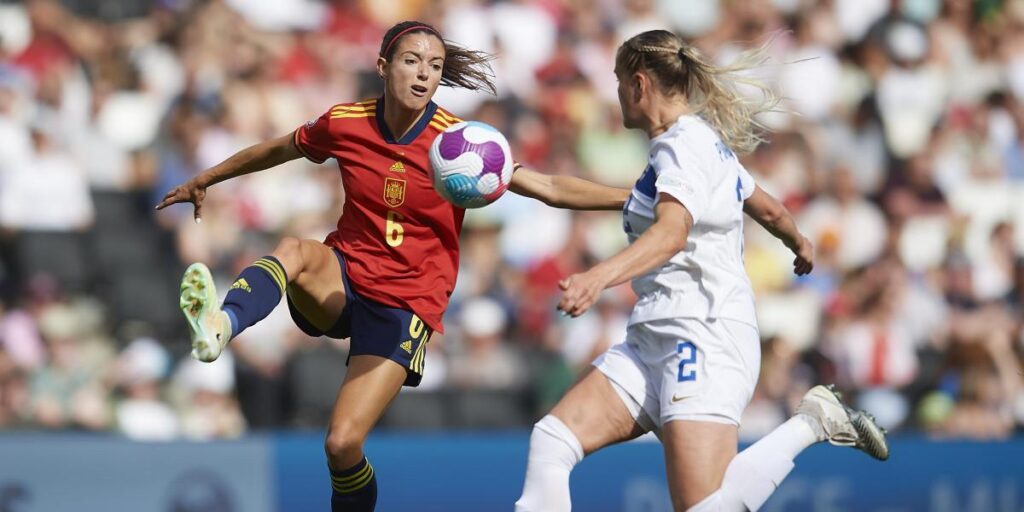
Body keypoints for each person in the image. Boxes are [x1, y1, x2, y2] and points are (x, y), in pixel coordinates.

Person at [156, 21, 628, 512]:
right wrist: (208, 178)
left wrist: (635, 197)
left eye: (436, 66)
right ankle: (221, 324)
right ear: (383, 66)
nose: (424, 74)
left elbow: (549, 187)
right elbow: (279, 149)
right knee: (294, 249)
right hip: (342, 276)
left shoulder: (460, 144)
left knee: (341, 444)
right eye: (411, 61)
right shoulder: (345, 121)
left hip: (405, 306)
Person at [514, 30, 889, 512]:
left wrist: (596, 277)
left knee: (702, 509)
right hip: (653, 336)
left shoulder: (682, 147)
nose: (617, 93)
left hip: (704, 332)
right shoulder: (695, 148)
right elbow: (767, 209)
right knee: (552, 440)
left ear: (640, 84)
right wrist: (798, 240)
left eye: (618, 81)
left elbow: (672, 233)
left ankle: (813, 422)